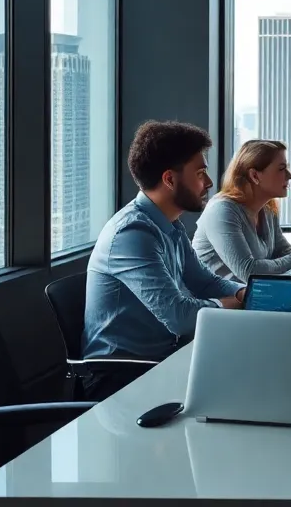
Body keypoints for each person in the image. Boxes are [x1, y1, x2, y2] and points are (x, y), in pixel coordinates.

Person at [81, 121, 245, 400]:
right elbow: (179, 317)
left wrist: (243, 291)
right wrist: (232, 304)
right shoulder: (132, 233)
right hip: (123, 379)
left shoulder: (169, 224)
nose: (208, 183)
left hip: (164, 360)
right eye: (200, 172)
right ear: (169, 179)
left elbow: (203, 281)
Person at [193, 139, 291, 281]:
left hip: (250, 297)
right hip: (214, 302)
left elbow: (283, 252)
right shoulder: (222, 211)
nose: (289, 176)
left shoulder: (268, 208)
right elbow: (248, 271)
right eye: (282, 169)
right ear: (255, 176)